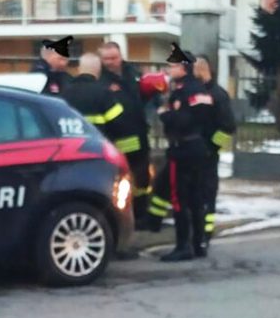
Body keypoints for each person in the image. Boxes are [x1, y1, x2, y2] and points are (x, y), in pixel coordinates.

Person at [158, 43, 214, 262]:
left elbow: (182, 120)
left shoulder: (182, 93)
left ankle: (183, 246)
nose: (169, 70)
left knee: (179, 200)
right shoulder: (201, 90)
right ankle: (198, 243)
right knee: (197, 198)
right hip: (198, 149)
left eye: (172, 66)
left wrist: (164, 113)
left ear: (183, 68)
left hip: (182, 151)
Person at [98, 41, 151, 223]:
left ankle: (141, 213)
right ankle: (123, 217)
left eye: (114, 58)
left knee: (143, 179)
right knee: (121, 181)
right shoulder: (101, 80)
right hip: (119, 138)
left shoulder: (132, 73)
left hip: (140, 134)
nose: (110, 62)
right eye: (106, 59)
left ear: (121, 56)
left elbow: (141, 96)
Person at [193, 56, 236, 245]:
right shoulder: (195, 92)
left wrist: (211, 148)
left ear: (201, 69)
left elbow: (228, 127)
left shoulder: (218, 95)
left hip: (208, 156)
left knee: (207, 193)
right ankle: (196, 232)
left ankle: (206, 234)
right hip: (193, 153)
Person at [62, 52, 124, 145]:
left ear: (79, 69)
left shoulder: (64, 92)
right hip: (98, 146)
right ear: (98, 70)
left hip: (71, 146)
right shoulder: (104, 92)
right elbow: (118, 123)